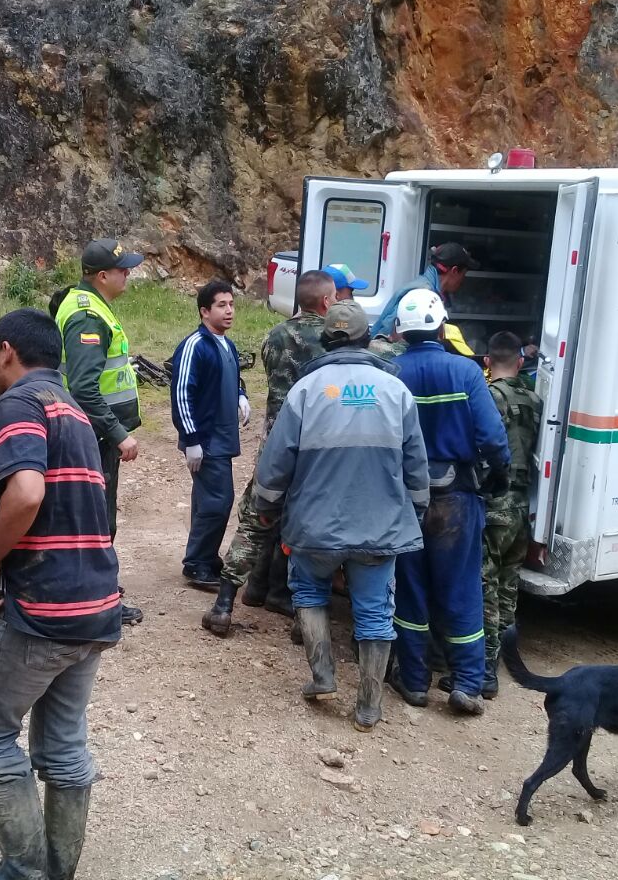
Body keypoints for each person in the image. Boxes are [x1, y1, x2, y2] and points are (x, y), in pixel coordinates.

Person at [0, 309, 121, 880]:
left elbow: (27, 492)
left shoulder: (19, 404)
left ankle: (25, 871)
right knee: (64, 747)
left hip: (41, 608)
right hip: (94, 605)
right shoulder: (73, 409)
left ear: (6, 350)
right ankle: (57, 871)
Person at [253, 301, 429, 732]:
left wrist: (266, 508)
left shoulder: (305, 391)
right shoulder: (396, 392)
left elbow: (275, 464)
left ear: (326, 340)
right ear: (367, 338)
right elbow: (416, 466)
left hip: (313, 527)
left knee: (309, 593)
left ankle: (323, 678)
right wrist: (416, 509)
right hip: (378, 528)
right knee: (375, 613)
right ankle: (368, 706)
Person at [387, 291, 509, 716]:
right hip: (457, 497)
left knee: (410, 588)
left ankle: (414, 681)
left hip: (404, 497)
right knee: (461, 589)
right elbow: (492, 438)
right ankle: (468, 684)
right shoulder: (466, 371)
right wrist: (498, 477)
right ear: (442, 328)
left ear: (400, 330)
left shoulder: (390, 372)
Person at [202, 269, 336, 636]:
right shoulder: (333, 340)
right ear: (327, 301)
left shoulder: (273, 336)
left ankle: (225, 604)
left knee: (256, 520)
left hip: (275, 443)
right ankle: (302, 615)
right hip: (316, 448)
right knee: (310, 524)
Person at [50, 239, 146, 627]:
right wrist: (118, 432)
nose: (128, 275)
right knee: (97, 519)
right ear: (102, 276)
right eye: (123, 270)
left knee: (89, 515)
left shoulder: (89, 305)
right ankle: (97, 599)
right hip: (94, 434)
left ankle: (88, 590)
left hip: (91, 431)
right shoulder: (88, 316)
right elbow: (85, 388)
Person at [170, 280, 250, 590]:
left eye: (231, 304)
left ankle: (205, 558)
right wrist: (191, 439)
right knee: (218, 500)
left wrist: (241, 395)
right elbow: (181, 394)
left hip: (222, 438)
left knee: (209, 500)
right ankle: (197, 564)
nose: (229, 311)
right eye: (221, 305)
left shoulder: (227, 344)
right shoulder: (195, 346)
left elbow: (233, 376)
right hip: (206, 439)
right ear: (205, 311)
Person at [479, 331, 540, 698]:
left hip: (496, 503)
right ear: (520, 361)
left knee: (484, 584)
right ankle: (504, 654)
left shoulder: (489, 397)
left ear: (487, 362)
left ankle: (486, 670)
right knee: (508, 585)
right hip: (522, 506)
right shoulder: (535, 399)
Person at [370, 242, 478, 337]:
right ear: (454, 271)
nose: (463, 280)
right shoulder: (422, 295)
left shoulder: (426, 287)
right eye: (464, 274)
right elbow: (387, 332)